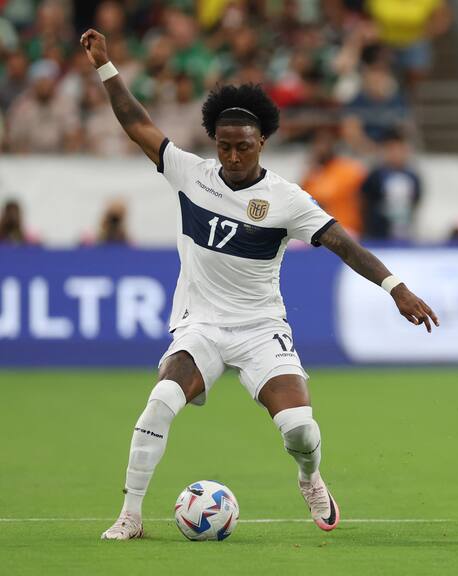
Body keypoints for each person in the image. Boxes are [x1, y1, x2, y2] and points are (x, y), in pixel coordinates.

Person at [80, 28, 439, 540]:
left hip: (259, 328)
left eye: (242, 147)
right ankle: (131, 514)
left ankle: (310, 478)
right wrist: (106, 67)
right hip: (200, 325)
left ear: (262, 143)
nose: (232, 156)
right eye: (224, 146)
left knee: (299, 428)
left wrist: (396, 288)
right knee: (160, 401)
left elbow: (343, 243)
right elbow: (136, 123)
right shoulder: (189, 173)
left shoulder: (286, 199)